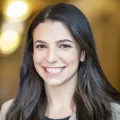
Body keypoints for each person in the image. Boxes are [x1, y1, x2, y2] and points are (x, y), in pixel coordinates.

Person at [0, 3, 120, 120]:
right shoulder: (9, 112)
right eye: (41, 46)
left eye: (64, 46)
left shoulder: (113, 114)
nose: (51, 58)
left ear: (82, 53)